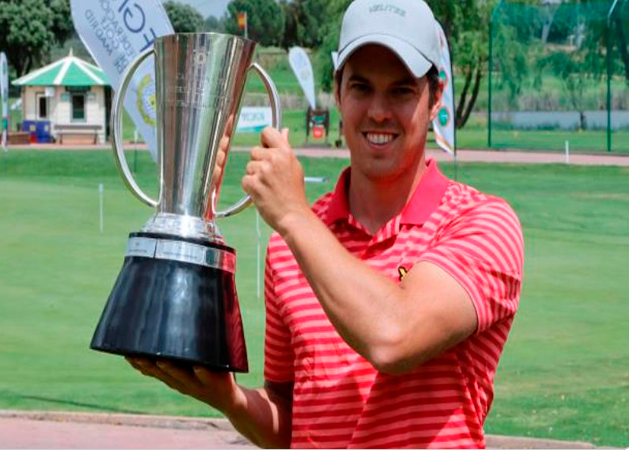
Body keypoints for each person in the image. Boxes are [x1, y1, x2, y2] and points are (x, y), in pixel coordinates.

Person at [127, 0, 524, 448]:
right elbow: (293, 416)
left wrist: (293, 215)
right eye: (361, 87)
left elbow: (394, 337)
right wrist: (233, 400)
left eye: (401, 91)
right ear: (337, 90)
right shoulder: (291, 245)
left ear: (436, 97)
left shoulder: (483, 223)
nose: (378, 111)